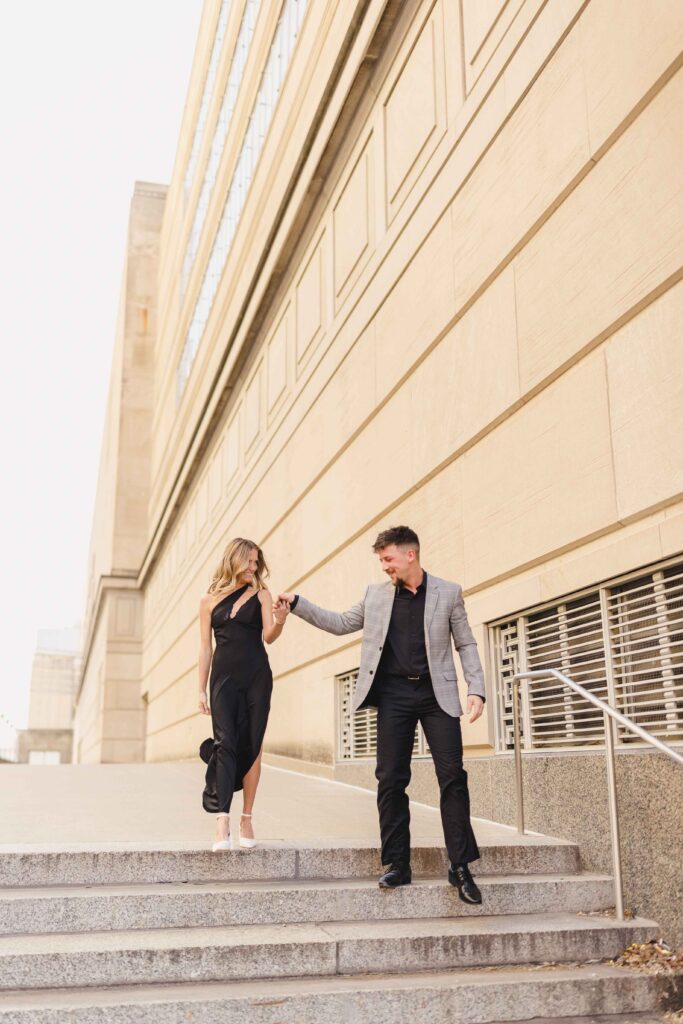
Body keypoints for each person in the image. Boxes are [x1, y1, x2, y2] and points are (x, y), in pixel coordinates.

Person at [276, 525, 486, 902]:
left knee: (452, 775)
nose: (384, 567)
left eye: (388, 559)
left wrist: (477, 688)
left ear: (410, 554)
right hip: (393, 695)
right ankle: (396, 864)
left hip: (436, 693)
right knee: (390, 780)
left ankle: (460, 867)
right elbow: (339, 623)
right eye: (382, 561)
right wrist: (297, 604)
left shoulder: (448, 593)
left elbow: (466, 643)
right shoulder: (375, 596)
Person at [198, 537, 289, 851]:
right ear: (234, 560)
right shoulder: (208, 601)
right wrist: (200, 688)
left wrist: (280, 619)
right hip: (222, 680)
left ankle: (246, 817)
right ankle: (222, 820)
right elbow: (205, 648)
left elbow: (269, 636)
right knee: (225, 743)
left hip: (256, 678)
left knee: (253, 745)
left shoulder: (262, 595)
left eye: (256, 562)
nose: (253, 567)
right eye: (249, 561)